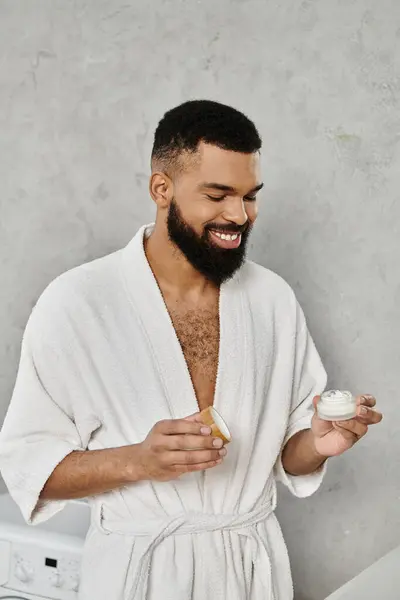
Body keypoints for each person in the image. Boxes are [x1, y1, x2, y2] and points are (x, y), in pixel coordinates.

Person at [0, 100, 382, 600]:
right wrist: (139, 460)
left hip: (250, 567)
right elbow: (28, 469)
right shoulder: (78, 303)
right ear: (162, 188)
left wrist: (317, 444)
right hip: (138, 575)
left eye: (249, 196)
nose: (238, 215)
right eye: (218, 195)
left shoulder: (272, 300)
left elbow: (289, 450)